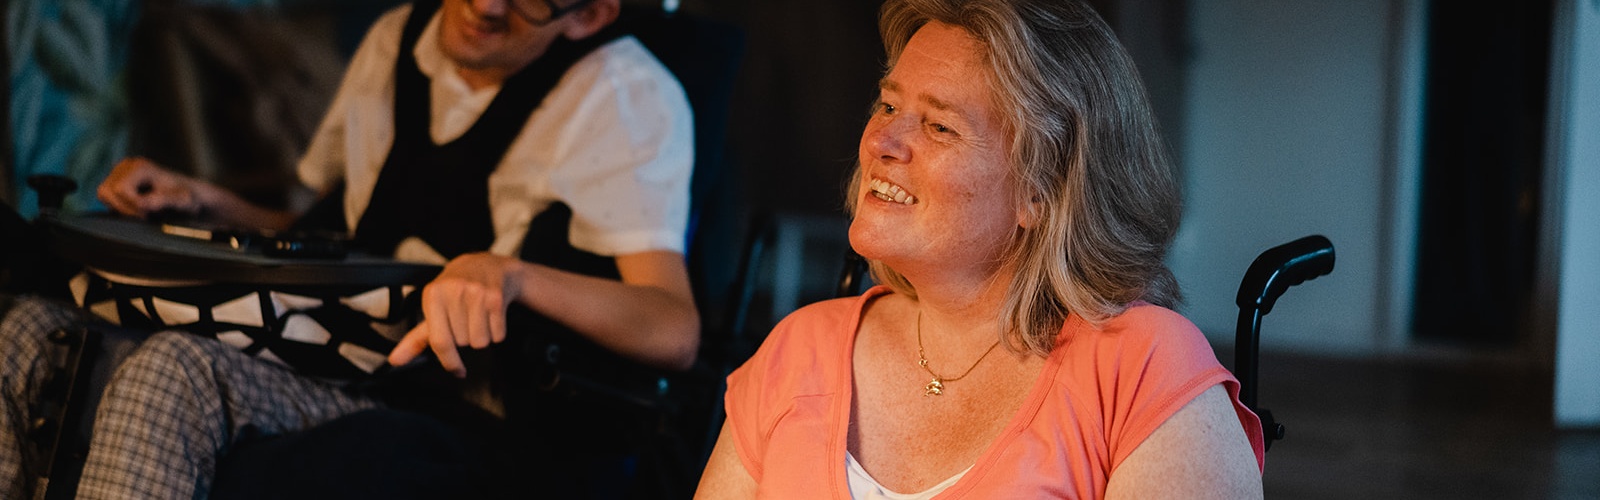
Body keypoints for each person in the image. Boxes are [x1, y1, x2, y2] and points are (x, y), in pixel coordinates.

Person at [0, 0, 698, 498]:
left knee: (170, 372)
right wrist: (205, 202)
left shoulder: (624, 96)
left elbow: (674, 329)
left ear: (589, 15)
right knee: (30, 328)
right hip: (324, 351)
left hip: (457, 405)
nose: (486, 5)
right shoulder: (397, 39)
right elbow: (330, 234)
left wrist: (513, 277)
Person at [695, 0, 1264, 498]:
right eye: (889, 106)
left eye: (940, 127)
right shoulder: (798, 348)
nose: (881, 142)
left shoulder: (1141, 367)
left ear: (1040, 191)